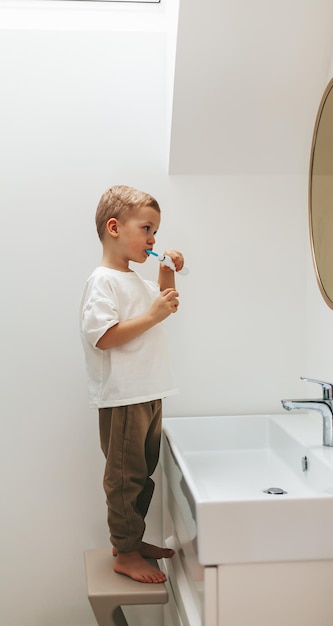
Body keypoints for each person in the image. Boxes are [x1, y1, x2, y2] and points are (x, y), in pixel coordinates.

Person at [80, 184, 184, 583]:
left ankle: (133, 540)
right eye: (147, 229)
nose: (154, 239)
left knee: (143, 473)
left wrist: (165, 271)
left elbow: (165, 303)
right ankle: (124, 552)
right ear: (114, 228)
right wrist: (155, 315)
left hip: (149, 392)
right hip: (124, 397)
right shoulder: (102, 281)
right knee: (125, 478)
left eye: (155, 232)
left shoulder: (135, 281)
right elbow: (104, 336)